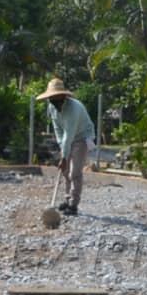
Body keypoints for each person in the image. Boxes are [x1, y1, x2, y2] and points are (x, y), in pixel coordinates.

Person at [38, 78, 95, 216]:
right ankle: (67, 199)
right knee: (65, 171)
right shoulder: (51, 107)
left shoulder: (73, 109)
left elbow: (69, 134)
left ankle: (74, 205)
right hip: (67, 138)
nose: (55, 102)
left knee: (74, 172)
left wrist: (63, 156)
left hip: (82, 137)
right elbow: (58, 129)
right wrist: (62, 149)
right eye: (52, 99)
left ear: (64, 96)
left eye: (58, 99)